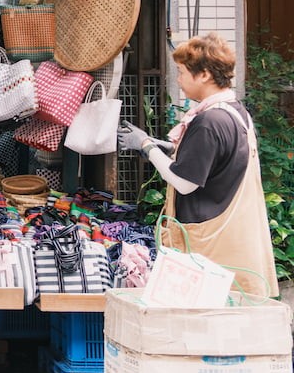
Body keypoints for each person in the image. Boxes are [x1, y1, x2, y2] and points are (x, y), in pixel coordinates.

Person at [118, 33, 278, 298]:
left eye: (181, 72)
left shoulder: (209, 121)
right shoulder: (234, 111)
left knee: (204, 316)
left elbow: (184, 182)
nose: (178, 80)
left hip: (212, 242)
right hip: (235, 237)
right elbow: (212, 160)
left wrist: (146, 145)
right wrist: (160, 146)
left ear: (204, 74)